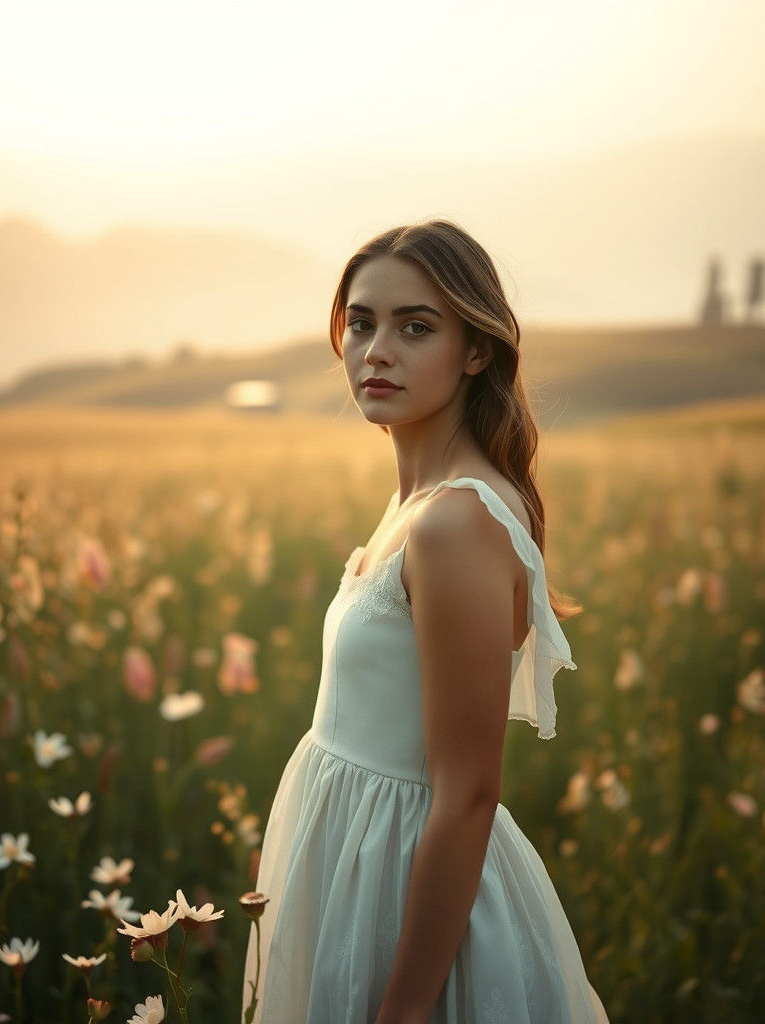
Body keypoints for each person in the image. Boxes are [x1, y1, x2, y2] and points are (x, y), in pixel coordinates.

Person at [241, 219, 610, 1023]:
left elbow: (469, 792)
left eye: (416, 327)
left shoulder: (456, 522)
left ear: (476, 350)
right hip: (353, 859)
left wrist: (405, 1006)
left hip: (406, 890)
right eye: (362, 322)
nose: (377, 350)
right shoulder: (415, 502)